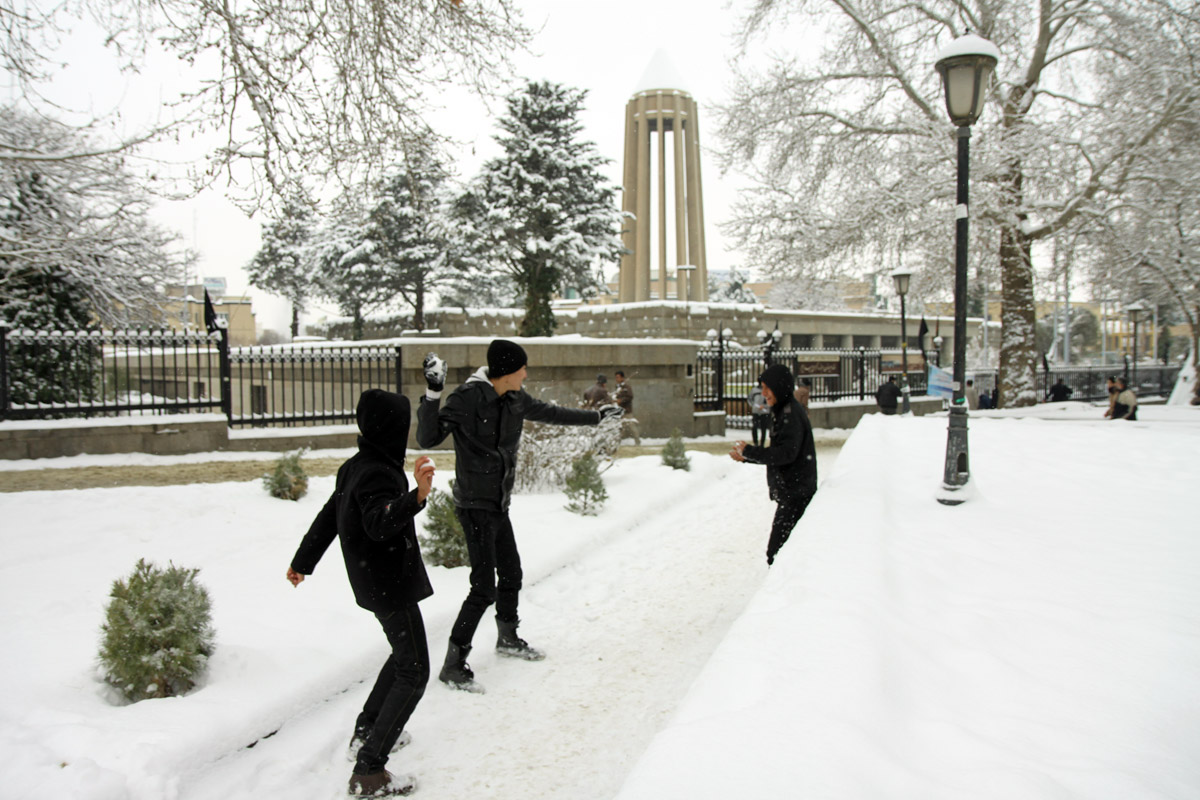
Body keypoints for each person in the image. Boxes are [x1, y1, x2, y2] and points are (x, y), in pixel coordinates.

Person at [416, 340, 622, 692]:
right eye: (521, 369)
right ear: (505, 373)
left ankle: (508, 638)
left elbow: (551, 412)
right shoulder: (467, 399)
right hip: (474, 505)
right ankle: (453, 664)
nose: (525, 374)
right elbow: (427, 437)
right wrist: (434, 393)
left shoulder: (515, 398)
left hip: (498, 503)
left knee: (511, 573)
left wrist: (596, 417)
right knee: (483, 588)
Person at [287, 389, 436, 798]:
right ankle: (369, 769)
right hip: (390, 584)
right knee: (415, 670)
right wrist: (416, 497)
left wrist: (303, 560)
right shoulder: (378, 473)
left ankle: (368, 730)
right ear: (389, 429)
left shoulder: (356, 466)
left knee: (403, 656)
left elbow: (328, 517)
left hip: (376, 582)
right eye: (403, 427)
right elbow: (378, 523)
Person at [730, 364, 818, 566]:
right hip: (793, 491)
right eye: (762, 387)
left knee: (776, 552)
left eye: (768, 388)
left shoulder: (790, 414)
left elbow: (785, 454)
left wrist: (750, 452)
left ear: (779, 387)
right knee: (781, 550)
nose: (764, 393)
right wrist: (747, 457)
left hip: (795, 493)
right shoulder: (784, 411)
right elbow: (781, 453)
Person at [613, 370, 640, 445]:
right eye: (616, 377)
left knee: (632, 427)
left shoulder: (627, 387)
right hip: (619, 411)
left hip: (627, 411)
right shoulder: (617, 387)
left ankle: (637, 441)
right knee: (620, 428)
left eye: (618, 377)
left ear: (622, 378)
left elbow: (630, 397)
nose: (616, 379)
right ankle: (617, 443)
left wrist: (621, 401)